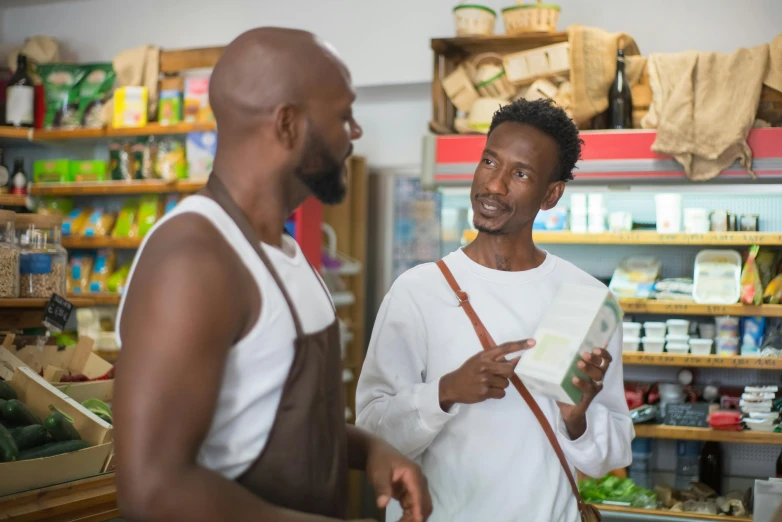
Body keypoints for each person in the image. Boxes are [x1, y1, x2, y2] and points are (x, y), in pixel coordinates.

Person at [114, 27, 432, 522]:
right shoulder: (193, 257)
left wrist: (370, 451)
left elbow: (275, 421)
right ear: (287, 125)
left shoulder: (284, 250)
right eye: (344, 115)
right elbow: (153, 491)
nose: (356, 132)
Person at [357, 99, 633, 522]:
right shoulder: (417, 291)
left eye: (520, 173)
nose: (495, 185)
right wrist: (445, 391)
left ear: (551, 195)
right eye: (490, 161)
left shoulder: (588, 299)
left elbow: (611, 454)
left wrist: (578, 419)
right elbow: (372, 433)